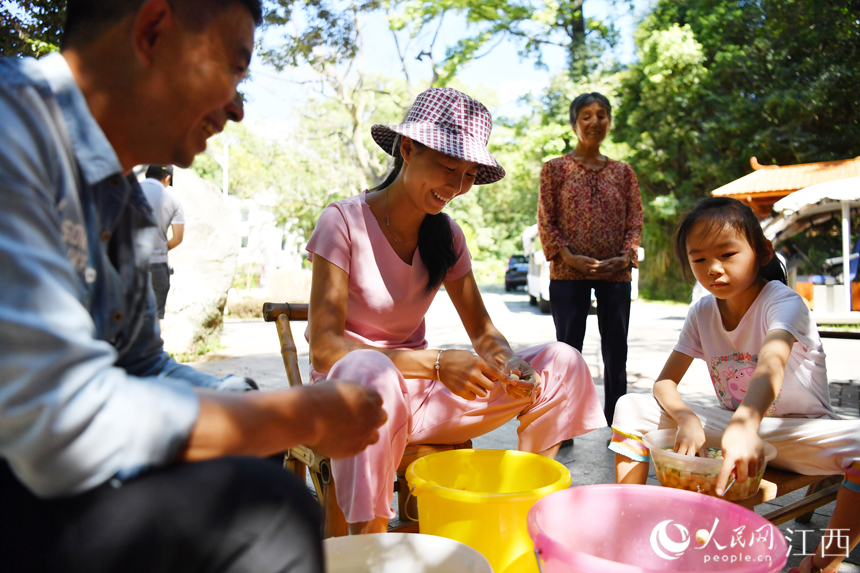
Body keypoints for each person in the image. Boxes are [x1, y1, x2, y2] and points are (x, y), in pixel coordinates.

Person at [0, 1, 386, 571]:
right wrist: (298, 417)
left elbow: (140, 365)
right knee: (268, 510)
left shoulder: (124, 200)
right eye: (234, 66)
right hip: (25, 466)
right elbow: (56, 420)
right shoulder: (16, 129)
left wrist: (256, 406)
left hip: (45, 472)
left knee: (256, 441)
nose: (236, 107)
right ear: (154, 30)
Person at [305, 87, 606, 535]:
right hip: (353, 399)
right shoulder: (342, 222)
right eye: (448, 167)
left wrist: (509, 363)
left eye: (467, 174)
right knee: (371, 369)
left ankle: (526, 506)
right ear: (407, 148)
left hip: (422, 402)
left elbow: (483, 332)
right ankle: (370, 541)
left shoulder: (447, 237)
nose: (457, 186)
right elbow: (325, 349)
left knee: (562, 361)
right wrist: (438, 363)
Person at [609, 197, 860, 573]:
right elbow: (664, 382)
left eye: (727, 254)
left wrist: (746, 425)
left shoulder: (784, 302)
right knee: (630, 405)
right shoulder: (702, 311)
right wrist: (686, 417)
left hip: (797, 435)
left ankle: (821, 563)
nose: (713, 269)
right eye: (699, 259)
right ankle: (629, 532)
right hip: (731, 432)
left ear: (761, 252)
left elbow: (771, 364)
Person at [537, 92, 643, 425]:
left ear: (609, 122)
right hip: (568, 274)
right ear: (574, 123)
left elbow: (635, 218)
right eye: (586, 115)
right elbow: (546, 218)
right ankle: (565, 424)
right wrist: (569, 257)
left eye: (601, 115)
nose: (595, 121)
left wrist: (625, 257)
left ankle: (620, 422)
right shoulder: (555, 169)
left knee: (616, 351)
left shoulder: (623, 172)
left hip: (616, 275)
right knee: (567, 351)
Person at [140, 164, 184, 322]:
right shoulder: (173, 200)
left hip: (131, 262)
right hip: (158, 265)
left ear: (146, 173)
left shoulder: (130, 191)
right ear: (167, 178)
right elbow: (178, 238)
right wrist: (160, 249)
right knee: (154, 318)